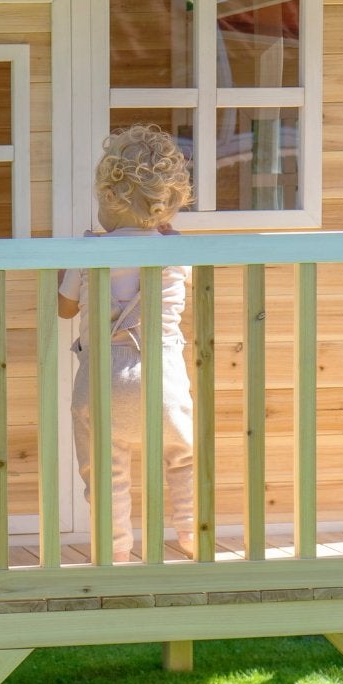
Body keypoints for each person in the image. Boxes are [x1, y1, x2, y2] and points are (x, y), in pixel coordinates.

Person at [58, 124, 196, 563]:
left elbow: (64, 309)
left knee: (106, 472)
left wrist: (68, 267)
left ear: (110, 198)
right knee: (183, 457)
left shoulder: (87, 253)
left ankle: (115, 552)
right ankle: (192, 534)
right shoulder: (177, 253)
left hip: (101, 381)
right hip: (163, 378)